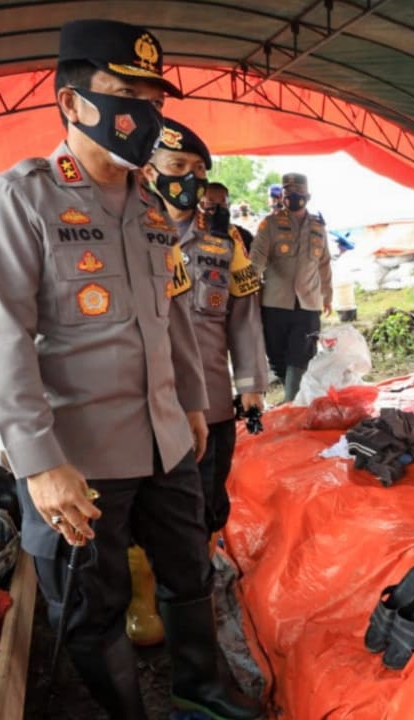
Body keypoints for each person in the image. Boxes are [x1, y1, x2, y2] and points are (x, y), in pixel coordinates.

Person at [0, 19, 262, 720]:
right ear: (72, 102)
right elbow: (1, 341)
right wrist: (40, 463)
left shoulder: (152, 208)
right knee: (95, 611)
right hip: (81, 460)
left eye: (154, 96)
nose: (146, 112)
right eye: (126, 92)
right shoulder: (18, 200)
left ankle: (204, 703)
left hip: (165, 440)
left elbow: (173, 318)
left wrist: (191, 402)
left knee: (189, 579)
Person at [144, 137, 268, 548]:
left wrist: (250, 384)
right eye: (178, 166)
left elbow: (244, 316)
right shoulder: (130, 231)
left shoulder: (225, 241)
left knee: (209, 493)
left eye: (198, 170)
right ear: (150, 171)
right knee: (151, 501)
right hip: (145, 399)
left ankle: (205, 562)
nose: (189, 179)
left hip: (211, 394)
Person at [249, 173, 331, 402]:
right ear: (282, 197)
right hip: (275, 302)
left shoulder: (318, 226)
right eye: (289, 193)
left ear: (308, 196)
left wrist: (328, 295)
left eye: (299, 193)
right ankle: (297, 397)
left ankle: (291, 401)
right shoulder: (270, 225)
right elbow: (256, 259)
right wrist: (247, 288)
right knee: (276, 355)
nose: (294, 197)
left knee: (301, 354)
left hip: (309, 302)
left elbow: (324, 263)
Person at [203, 182, 254, 253]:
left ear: (228, 205)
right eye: (211, 202)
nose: (217, 208)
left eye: (222, 203)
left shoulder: (242, 236)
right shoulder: (190, 232)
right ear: (202, 204)